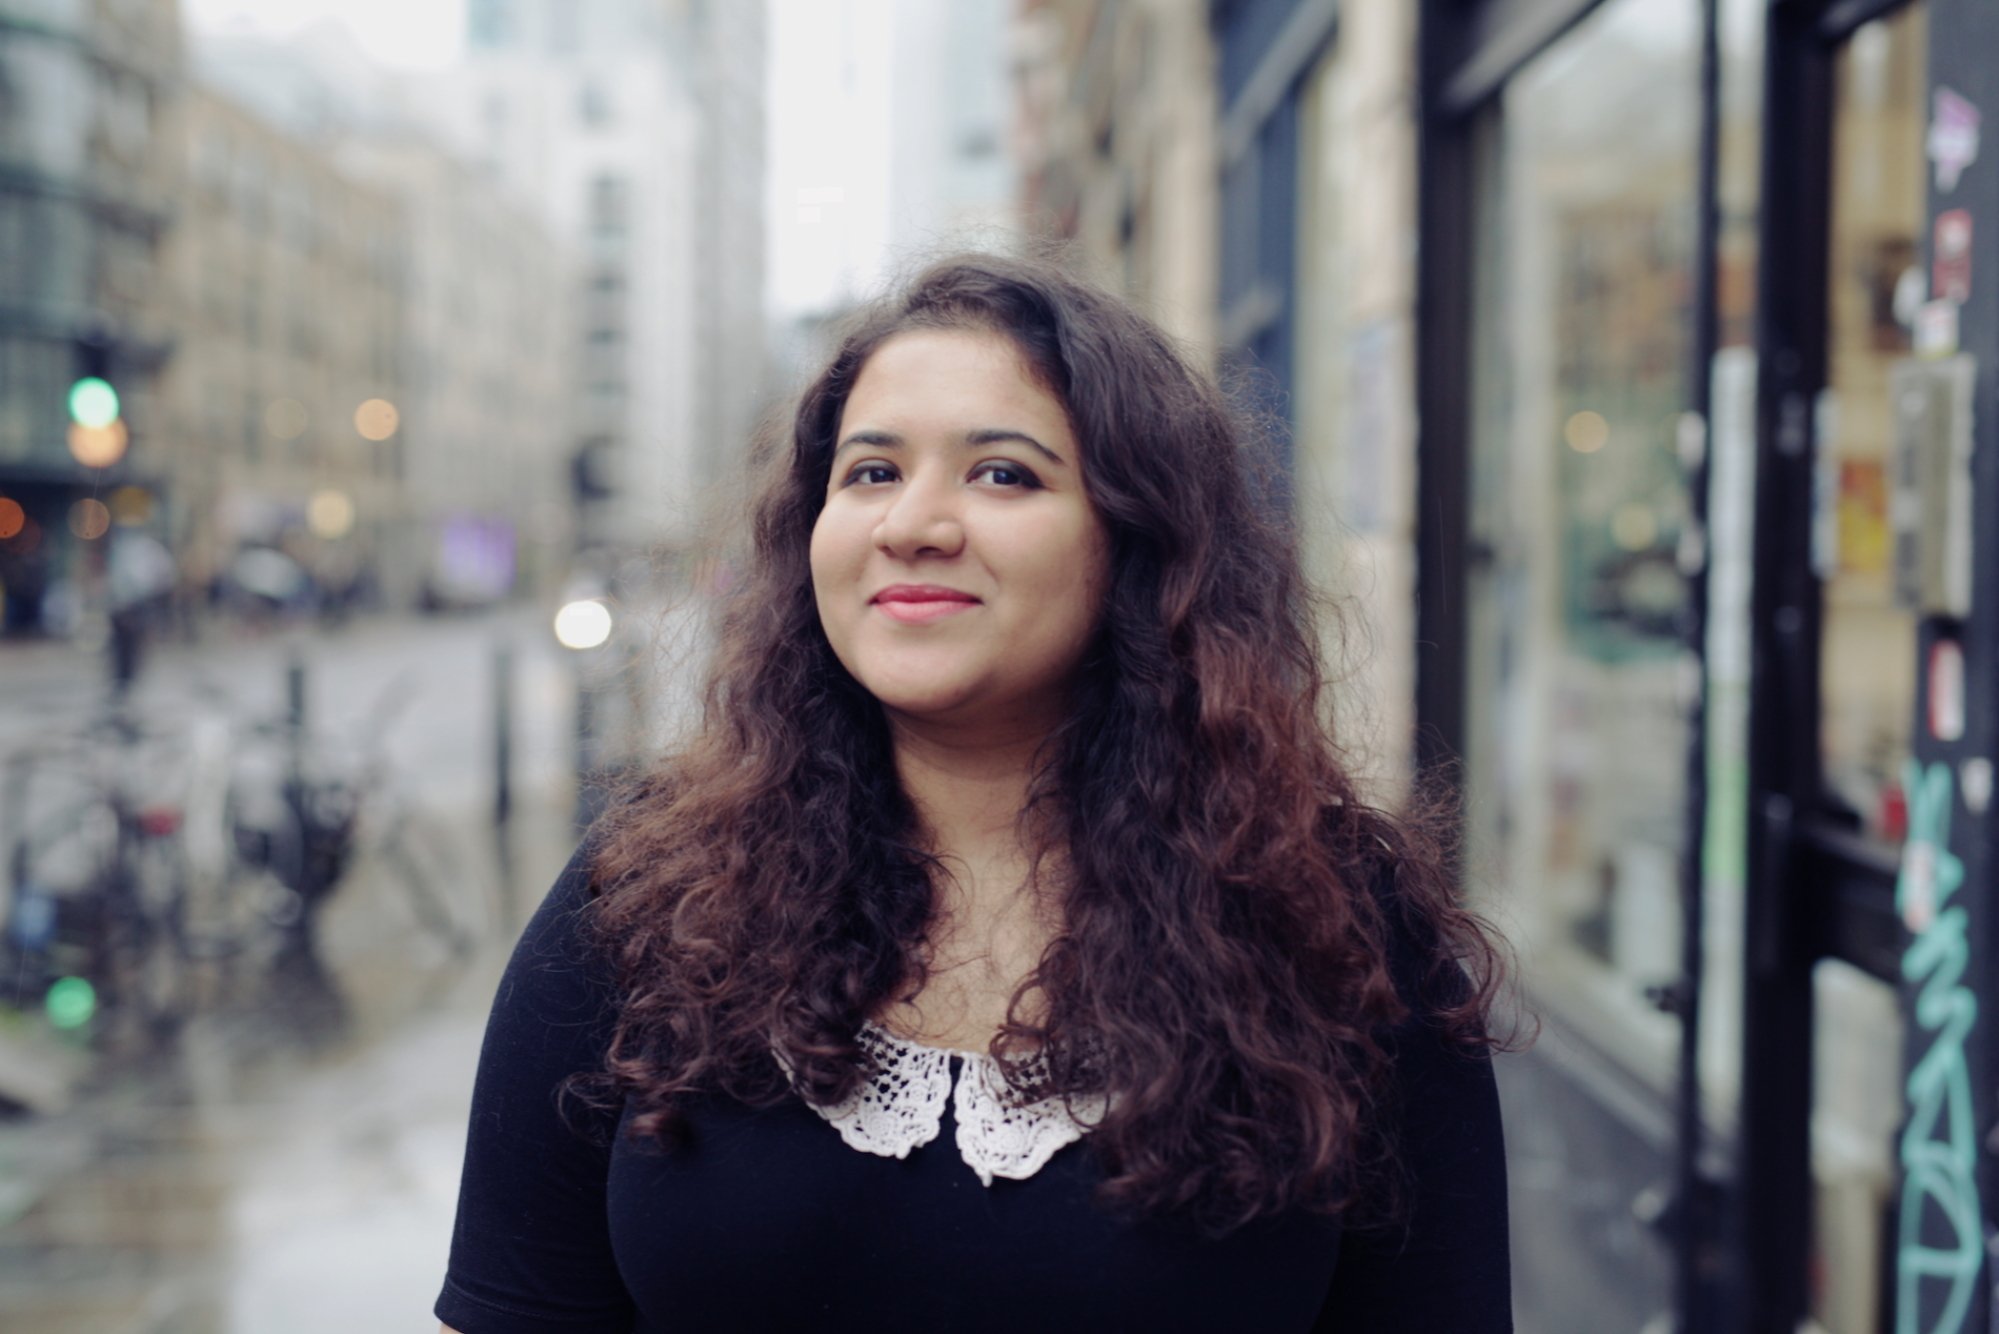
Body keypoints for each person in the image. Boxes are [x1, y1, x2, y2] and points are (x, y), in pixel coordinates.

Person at [436, 253, 1514, 1333]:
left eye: (1002, 473)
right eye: (869, 472)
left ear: (1137, 543)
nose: (912, 522)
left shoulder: (1337, 924)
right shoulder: (643, 894)